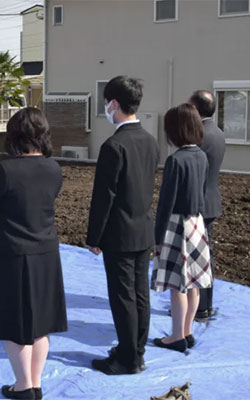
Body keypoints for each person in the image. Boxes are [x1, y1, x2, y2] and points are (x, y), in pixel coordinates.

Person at [0, 108, 68, 399]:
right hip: (45, 253)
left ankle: (23, 385)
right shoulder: (54, 168)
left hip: (10, 255)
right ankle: (35, 383)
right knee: (41, 323)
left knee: (14, 324)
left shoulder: (4, 171)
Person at [86, 76, 159, 375]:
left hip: (119, 233)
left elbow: (104, 197)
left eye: (106, 102)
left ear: (114, 104)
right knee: (141, 293)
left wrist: (94, 236)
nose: (105, 107)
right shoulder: (150, 141)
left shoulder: (113, 146)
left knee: (123, 296)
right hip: (144, 229)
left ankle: (128, 357)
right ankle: (136, 348)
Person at [151, 103, 213, 353]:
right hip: (197, 223)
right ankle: (187, 332)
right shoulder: (201, 155)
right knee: (194, 282)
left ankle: (176, 335)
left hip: (176, 225)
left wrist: (157, 237)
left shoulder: (175, 160)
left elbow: (166, 202)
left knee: (178, 285)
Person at [188, 90, 226, 322]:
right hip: (211, 200)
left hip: (198, 203)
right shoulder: (218, 132)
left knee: (197, 257)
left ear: (196, 109)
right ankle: (204, 305)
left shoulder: (200, 135)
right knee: (205, 255)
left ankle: (199, 307)